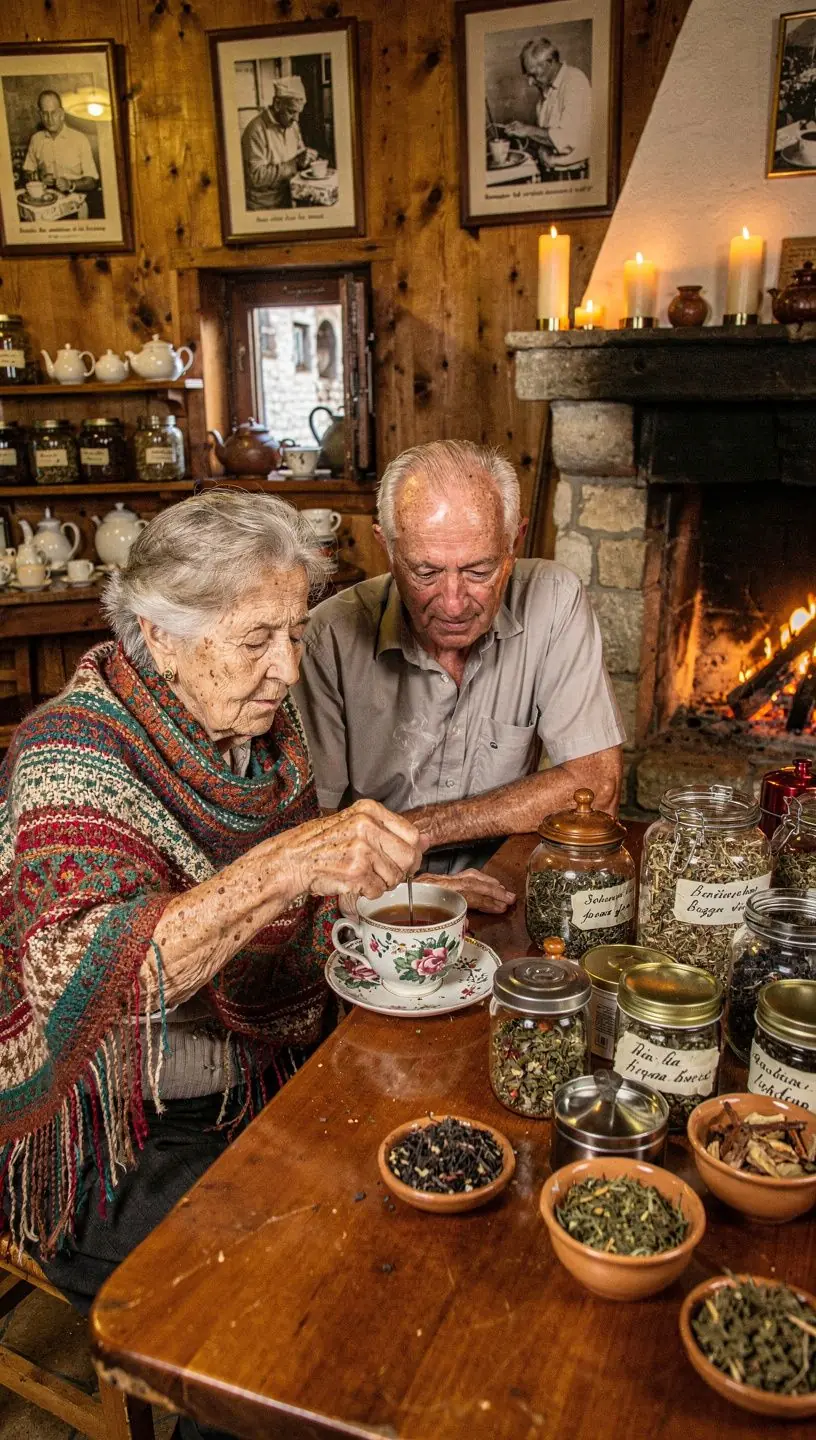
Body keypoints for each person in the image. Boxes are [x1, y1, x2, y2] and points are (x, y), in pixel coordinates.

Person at [0, 494, 423, 1362]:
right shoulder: (71, 751)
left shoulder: (261, 733)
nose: (288, 668)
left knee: (393, 1206)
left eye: (295, 633)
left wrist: (368, 892)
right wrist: (286, 866)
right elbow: (84, 980)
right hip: (107, 1118)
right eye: (257, 638)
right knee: (267, 1300)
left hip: (249, 1067)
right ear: (161, 636)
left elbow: (284, 911)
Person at [294, 441, 625, 914]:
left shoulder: (554, 600)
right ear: (387, 548)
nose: (453, 603)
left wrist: (422, 828)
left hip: (507, 885)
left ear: (514, 543)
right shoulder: (327, 638)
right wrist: (415, 892)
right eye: (425, 572)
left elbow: (595, 787)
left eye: (478, 570)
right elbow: (309, 844)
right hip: (374, 902)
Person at [504, 37, 591, 181]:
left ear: (549, 63)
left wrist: (528, 130)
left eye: (533, 74)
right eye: (528, 76)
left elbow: (566, 140)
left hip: (572, 177)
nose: (530, 82)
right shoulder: (547, 88)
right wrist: (522, 132)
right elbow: (546, 135)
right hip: (552, 173)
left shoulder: (574, 81)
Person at [241, 74, 317, 209]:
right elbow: (255, 177)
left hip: (288, 198)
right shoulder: (256, 130)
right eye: (291, 112)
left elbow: (299, 155)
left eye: (298, 113)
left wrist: (307, 159)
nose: (296, 119)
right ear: (277, 104)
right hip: (263, 207)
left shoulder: (292, 126)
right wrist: (294, 163)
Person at [22, 89, 99, 218]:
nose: (49, 119)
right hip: (44, 208)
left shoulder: (80, 139)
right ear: (40, 115)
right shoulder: (36, 139)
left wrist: (70, 184)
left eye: (54, 113)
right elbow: (26, 172)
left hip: (74, 209)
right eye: (45, 114)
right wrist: (38, 176)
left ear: (62, 114)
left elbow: (92, 182)